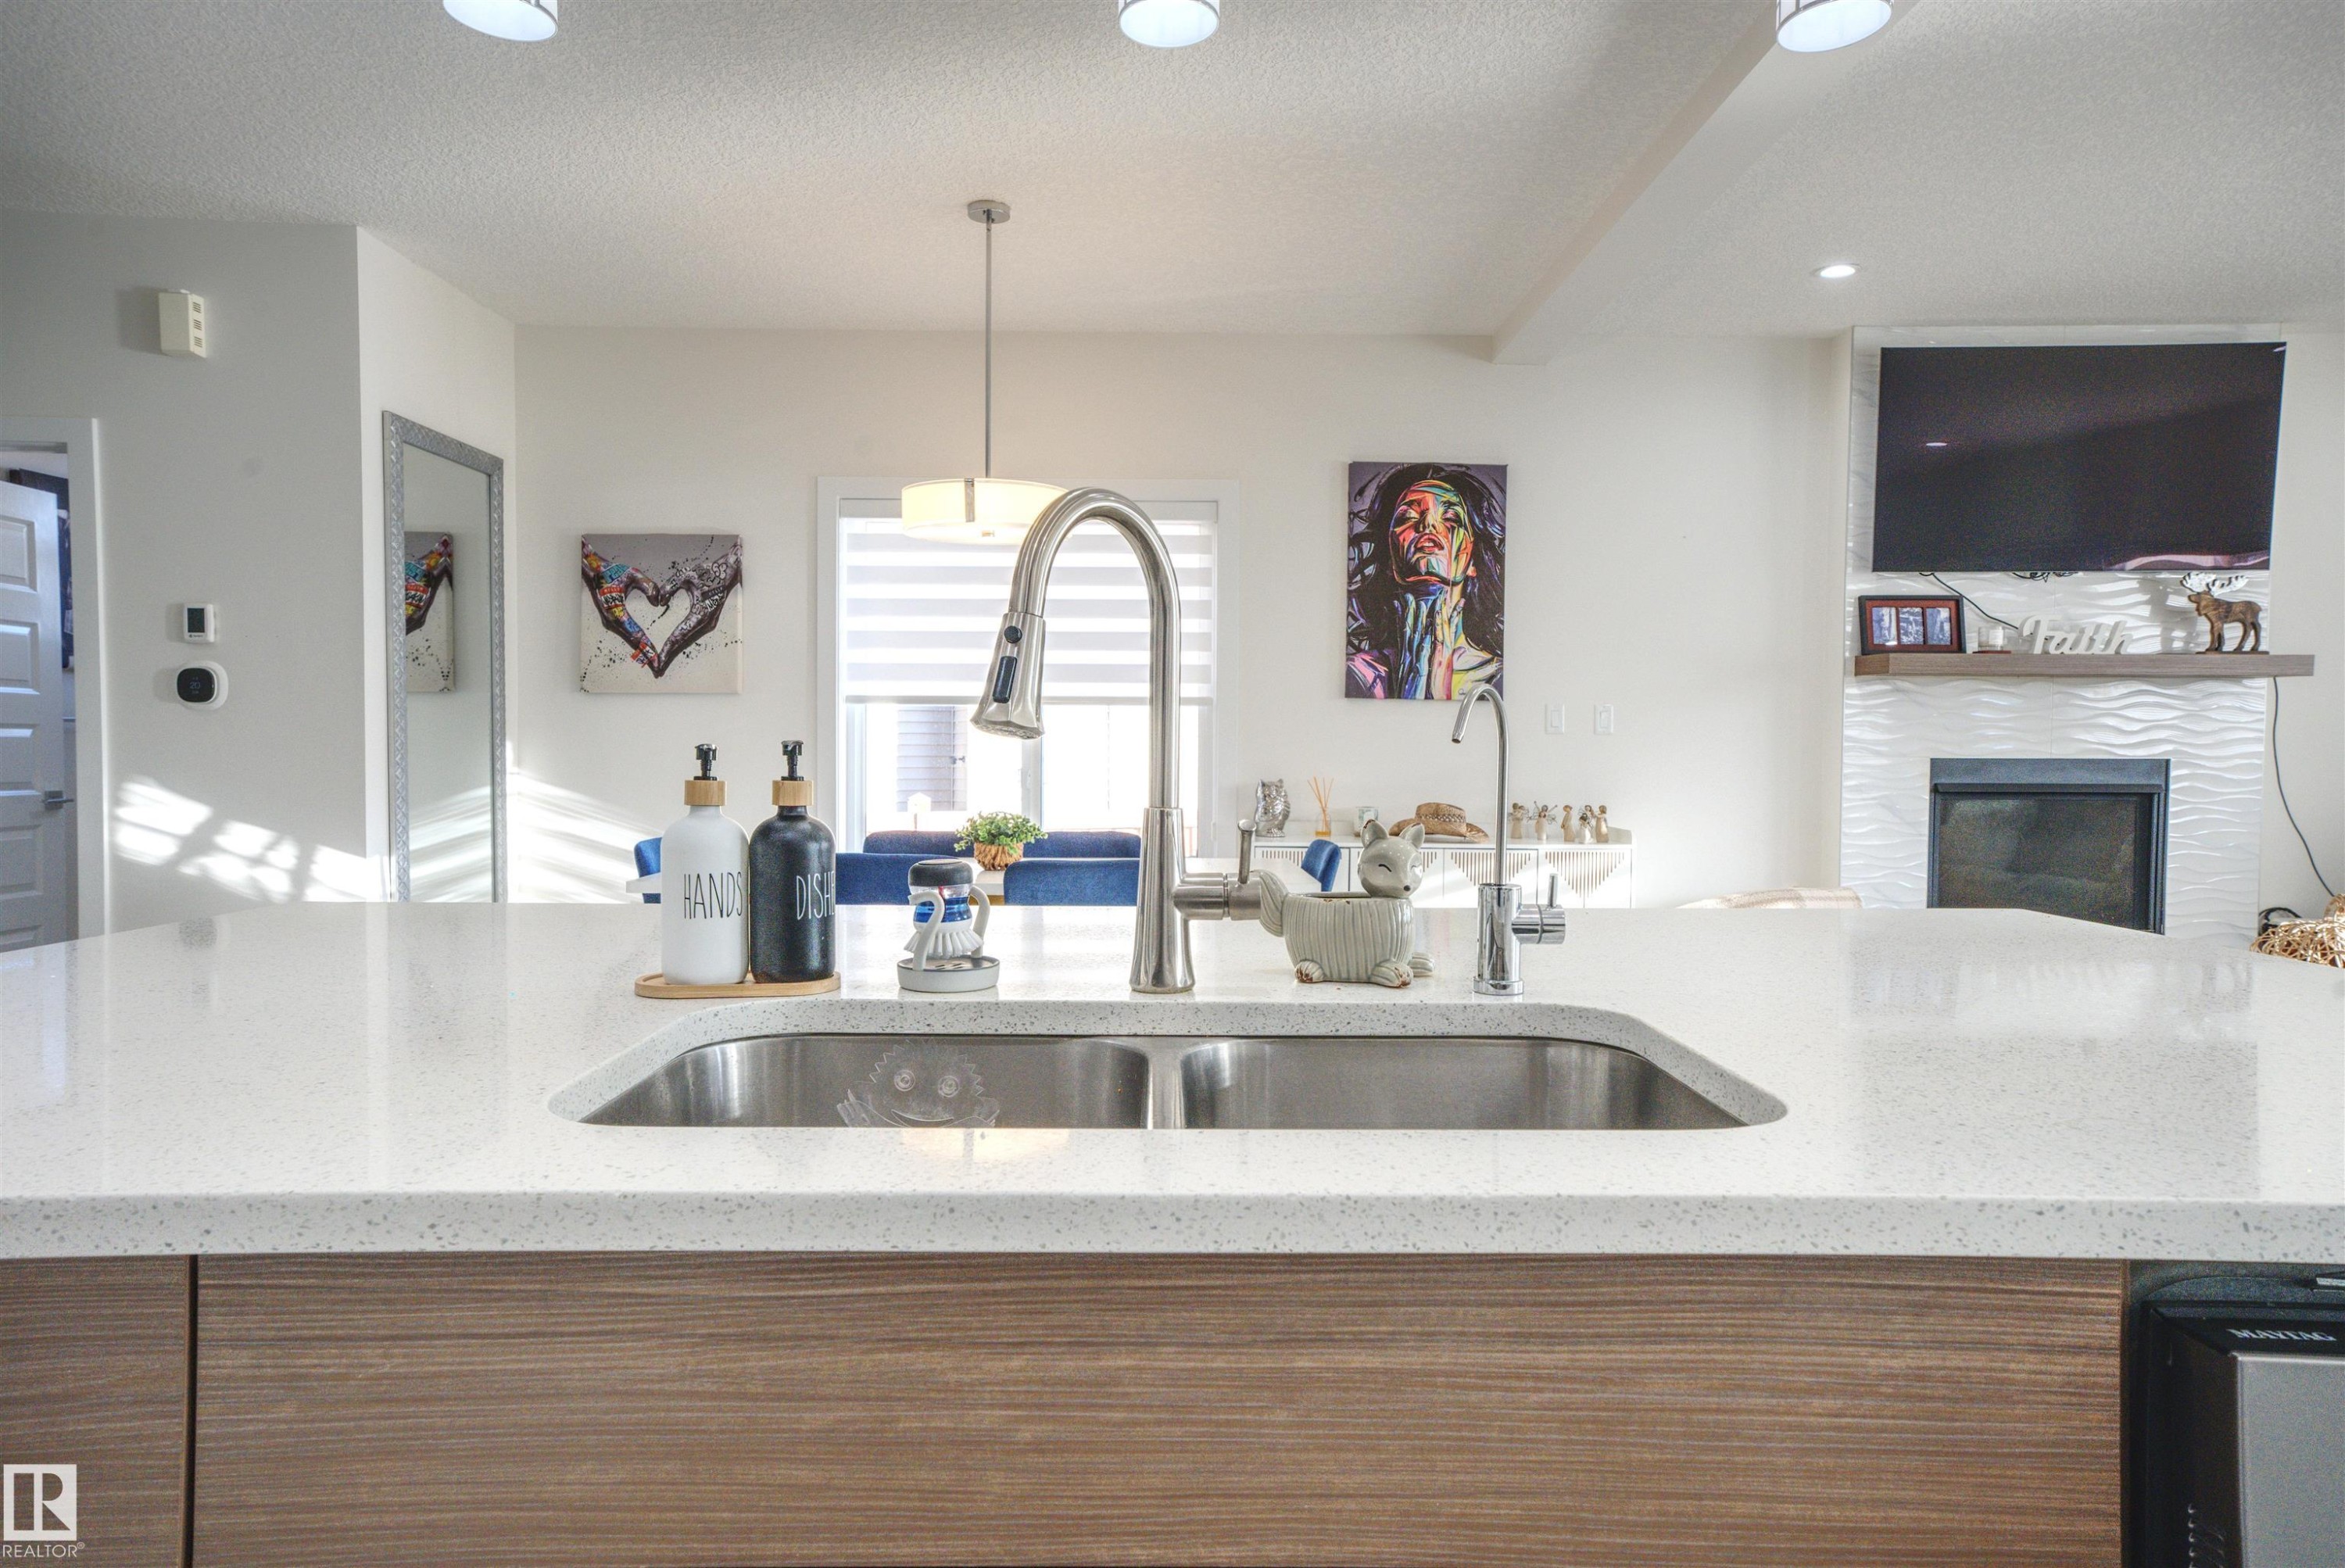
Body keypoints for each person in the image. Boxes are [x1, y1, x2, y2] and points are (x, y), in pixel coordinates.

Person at [1344, 463, 1504, 700]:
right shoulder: (1358, 674)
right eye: (1408, 516)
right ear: (1389, 560)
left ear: (1473, 562)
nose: (1428, 524)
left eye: (1451, 517)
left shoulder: (1496, 678)